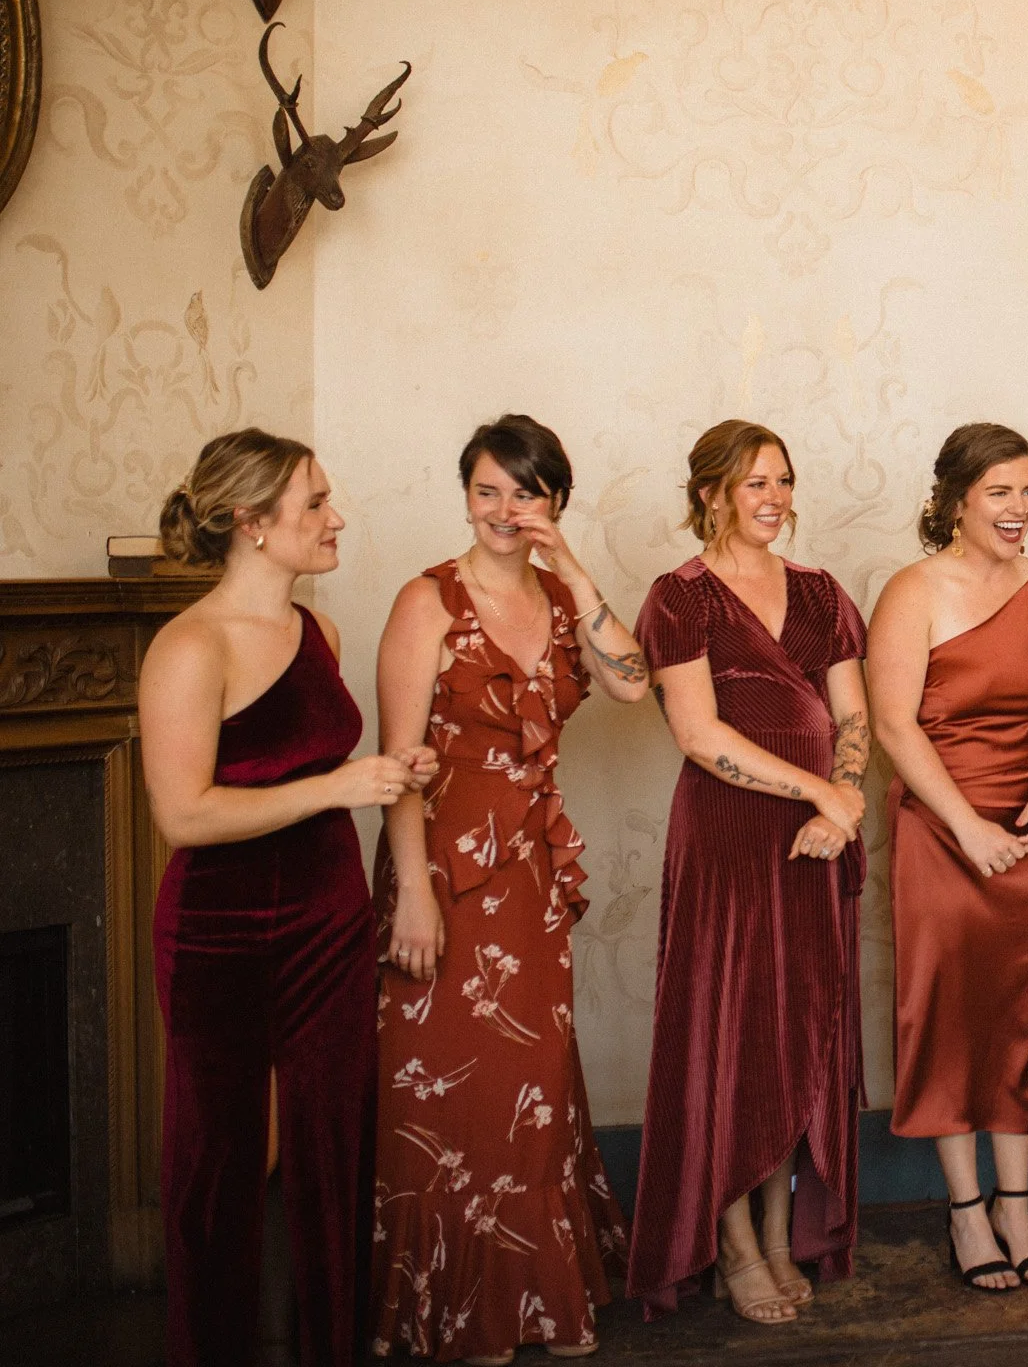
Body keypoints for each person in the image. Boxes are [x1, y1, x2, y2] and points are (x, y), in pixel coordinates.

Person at [140, 429, 436, 1367]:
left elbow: (306, 769)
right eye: (314, 503)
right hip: (217, 934)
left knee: (333, 1157)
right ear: (251, 522)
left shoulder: (320, 633)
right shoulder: (189, 646)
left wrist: (388, 774)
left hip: (328, 922)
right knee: (217, 1168)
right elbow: (183, 814)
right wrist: (339, 788)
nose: (335, 517)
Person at [367, 416, 648, 1363]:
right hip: (441, 869)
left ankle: (535, 1300)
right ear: (465, 497)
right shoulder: (427, 601)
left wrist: (573, 569)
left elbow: (631, 685)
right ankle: (462, 1310)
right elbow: (398, 763)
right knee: (449, 1091)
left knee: (531, 1086)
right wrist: (413, 893)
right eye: (486, 491)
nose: (503, 510)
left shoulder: (566, 602)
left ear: (554, 501)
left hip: (529, 871)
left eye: (524, 493)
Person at [627, 420, 870, 1327]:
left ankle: (776, 1231)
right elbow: (698, 735)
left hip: (818, 843)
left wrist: (841, 807)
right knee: (728, 1033)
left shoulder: (821, 592)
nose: (775, 498)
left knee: (798, 1032)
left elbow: (854, 719)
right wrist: (820, 793)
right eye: (755, 483)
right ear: (712, 495)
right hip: (728, 841)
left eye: (783, 480)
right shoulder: (680, 597)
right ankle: (730, 1240)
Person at [867, 423, 1028, 1292]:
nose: (1019, 507)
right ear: (957, 500)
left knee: (1016, 1014)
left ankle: (1017, 1207)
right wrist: (965, 826)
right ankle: (966, 1211)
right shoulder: (912, 589)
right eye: (1000, 491)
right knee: (947, 1015)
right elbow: (893, 725)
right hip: (941, 831)